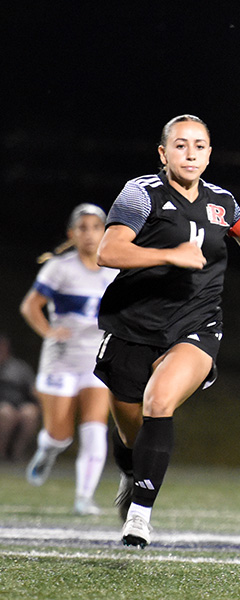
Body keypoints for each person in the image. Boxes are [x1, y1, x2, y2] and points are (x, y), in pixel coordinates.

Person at [94, 114, 240, 548]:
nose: (191, 153)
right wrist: (170, 255)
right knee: (130, 433)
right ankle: (132, 472)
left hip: (196, 323)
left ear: (209, 154)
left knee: (158, 401)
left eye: (199, 146)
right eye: (180, 145)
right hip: (132, 325)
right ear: (163, 153)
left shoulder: (222, 201)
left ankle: (140, 517)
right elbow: (108, 251)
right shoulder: (140, 194)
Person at [19, 203, 118, 515]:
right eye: (83, 228)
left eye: (95, 227)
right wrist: (48, 331)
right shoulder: (59, 268)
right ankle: (48, 450)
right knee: (60, 434)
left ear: (105, 232)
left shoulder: (116, 268)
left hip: (96, 360)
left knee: (95, 429)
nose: (89, 234)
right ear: (72, 234)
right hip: (61, 359)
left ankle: (84, 498)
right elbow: (30, 306)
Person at [0, 333, 41, 462]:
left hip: (19, 404)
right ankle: (1, 453)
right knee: (6, 413)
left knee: (30, 412)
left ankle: (17, 453)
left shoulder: (19, 367)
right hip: (3, 406)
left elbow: (33, 390)